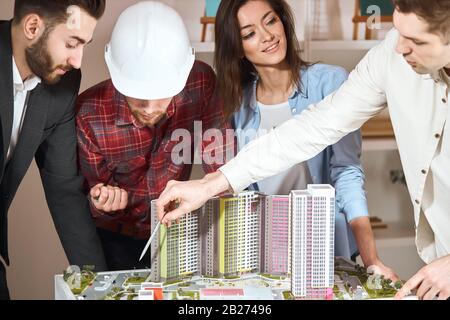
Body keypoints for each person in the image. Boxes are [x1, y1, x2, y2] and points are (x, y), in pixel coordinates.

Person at [157, 0, 450, 300]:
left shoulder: (327, 78)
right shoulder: (390, 57)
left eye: (415, 40)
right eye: (396, 30)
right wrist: (210, 185)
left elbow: (347, 173)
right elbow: (313, 128)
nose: (399, 47)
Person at [213, 0, 397, 279]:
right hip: (266, 254)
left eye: (270, 21)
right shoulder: (237, 105)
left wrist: (372, 260)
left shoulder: (330, 83)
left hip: (326, 247)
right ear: (237, 48)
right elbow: (243, 192)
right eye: (250, 33)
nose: (267, 36)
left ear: (283, 22)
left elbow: (347, 173)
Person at [75, 1, 232, 271]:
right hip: (115, 238)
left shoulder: (201, 83)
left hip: (176, 229)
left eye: (161, 94)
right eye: (138, 95)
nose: (149, 109)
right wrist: (103, 200)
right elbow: (93, 196)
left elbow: (221, 166)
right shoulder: (89, 114)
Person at [0, 0, 107, 300]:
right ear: (33, 27)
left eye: (84, 45)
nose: (77, 61)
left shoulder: (64, 83)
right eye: (72, 43)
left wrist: (100, 287)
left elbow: (63, 187)